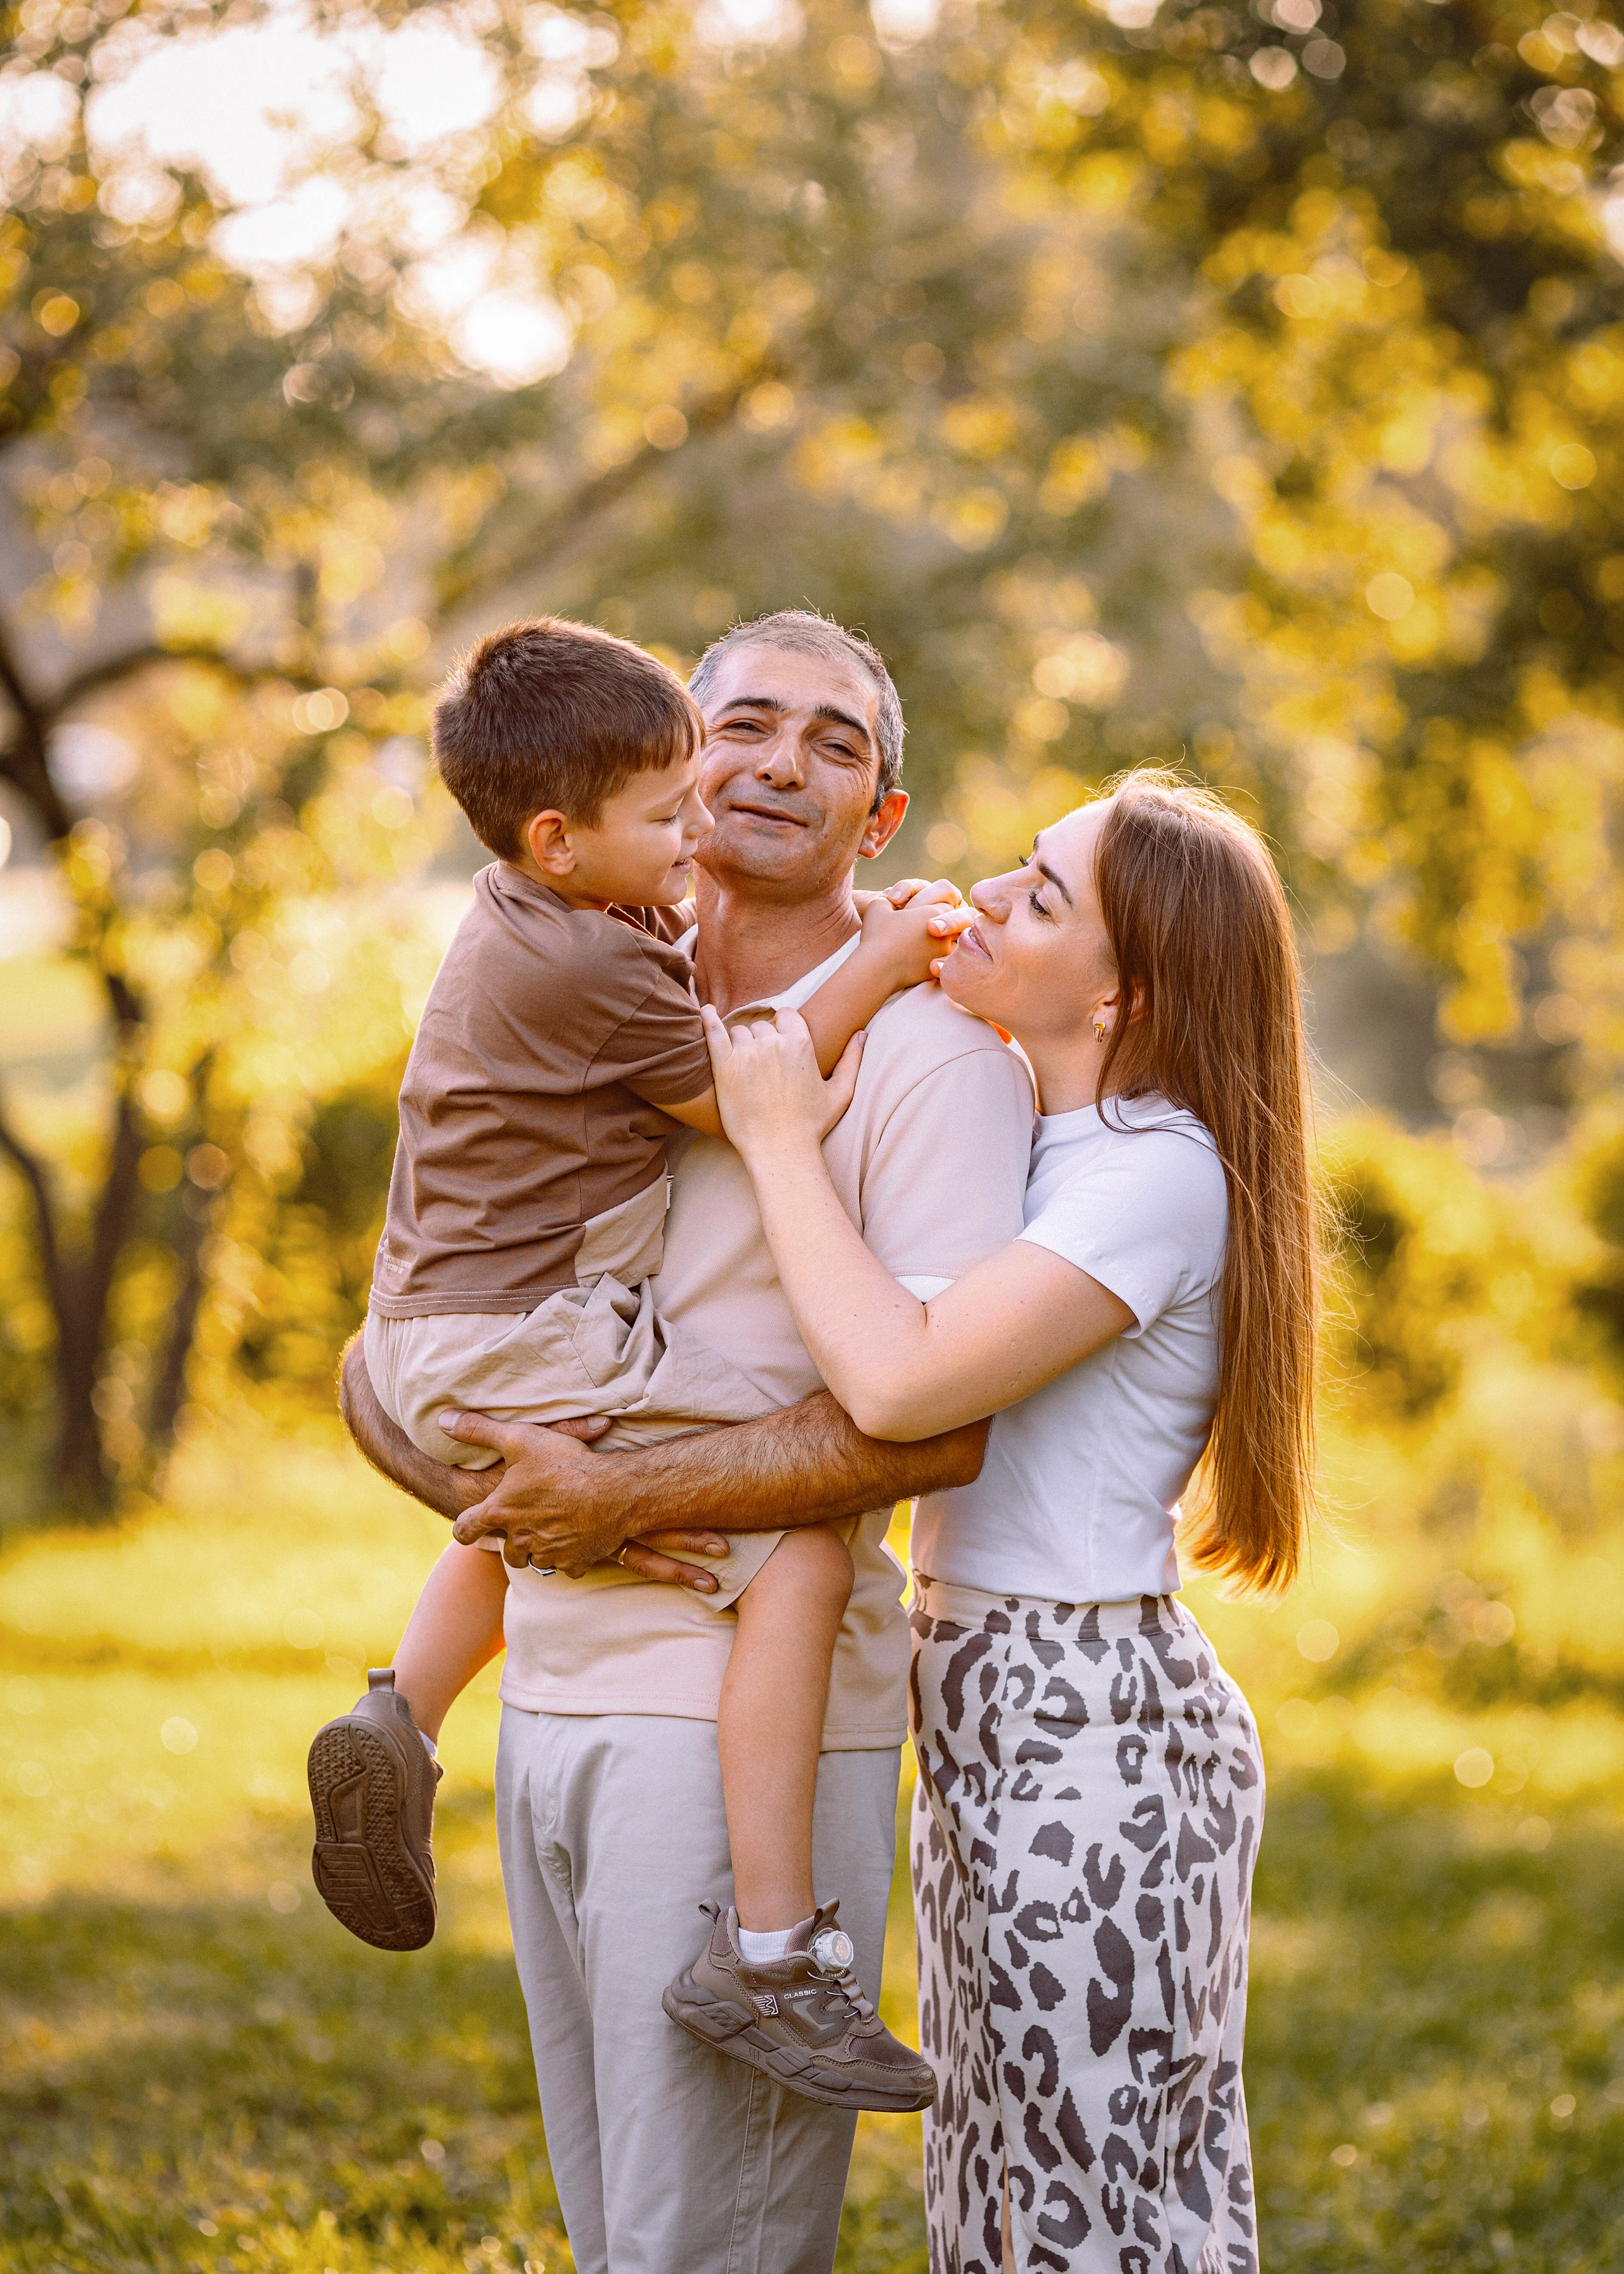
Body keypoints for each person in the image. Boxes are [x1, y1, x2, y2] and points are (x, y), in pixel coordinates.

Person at [336, 610, 1038, 2274]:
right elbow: (401, 1334)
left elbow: (935, 1425)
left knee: (704, 2255)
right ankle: (397, 1719)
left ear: (880, 819)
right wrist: (489, 1482)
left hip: (730, 1746)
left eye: (836, 743)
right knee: (618, 2246)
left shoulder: (931, 1056)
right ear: (672, 765)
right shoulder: (587, 985)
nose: (782, 761)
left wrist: (607, 1491)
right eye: (745, 724)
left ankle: (773, 1953)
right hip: (549, 1702)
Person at [702, 770, 1321, 2274]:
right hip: (995, 1692)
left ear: (1122, 996)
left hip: (1087, 1717)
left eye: (1039, 898)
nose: (981, 896)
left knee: (1088, 2199)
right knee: (997, 2179)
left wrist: (776, 1138)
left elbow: (900, 1382)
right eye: (1017, 866)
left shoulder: (1153, 1174)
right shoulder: (1054, 1139)